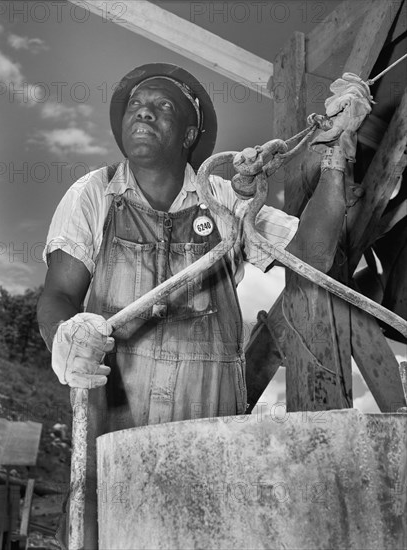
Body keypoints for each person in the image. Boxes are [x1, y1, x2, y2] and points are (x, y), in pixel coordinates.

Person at [37, 63, 351, 548]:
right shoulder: (93, 195)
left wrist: (332, 155)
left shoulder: (226, 199)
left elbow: (313, 257)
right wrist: (64, 335)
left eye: (163, 106)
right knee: (104, 532)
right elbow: (58, 294)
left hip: (208, 429)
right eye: (137, 105)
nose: (144, 111)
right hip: (113, 427)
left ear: (189, 134)